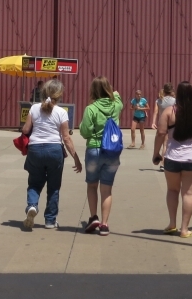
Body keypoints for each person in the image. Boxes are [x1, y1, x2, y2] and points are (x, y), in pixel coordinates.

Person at [153, 82, 192, 238]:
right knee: (189, 194)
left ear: (177, 95)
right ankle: (184, 229)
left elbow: (160, 133)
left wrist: (156, 153)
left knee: (172, 190)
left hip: (172, 157)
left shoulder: (169, 112)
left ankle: (172, 223)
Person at [21, 79, 81, 231]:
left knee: (34, 183)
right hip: (54, 150)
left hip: (35, 149)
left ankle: (32, 206)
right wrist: (76, 158)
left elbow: (26, 129)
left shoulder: (34, 108)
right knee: (54, 187)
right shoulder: (62, 112)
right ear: (59, 95)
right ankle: (50, 220)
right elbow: (66, 138)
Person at [79, 77, 123, 236]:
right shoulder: (116, 105)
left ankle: (93, 217)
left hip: (94, 149)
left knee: (92, 185)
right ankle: (104, 224)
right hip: (112, 151)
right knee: (107, 189)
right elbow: (118, 96)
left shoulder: (90, 109)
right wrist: (113, 93)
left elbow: (85, 132)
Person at [155, 83, 176, 170]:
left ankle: (158, 156)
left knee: (161, 143)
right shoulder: (175, 101)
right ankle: (163, 163)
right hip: (171, 125)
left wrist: (153, 122)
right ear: (172, 90)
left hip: (161, 124)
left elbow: (155, 112)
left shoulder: (159, 101)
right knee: (166, 145)